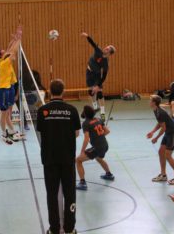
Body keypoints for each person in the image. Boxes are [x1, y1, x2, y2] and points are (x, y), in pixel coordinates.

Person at [37, 79, 81, 234]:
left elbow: (41, 133)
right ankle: (69, 228)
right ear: (63, 91)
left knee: (52, 194)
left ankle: (54, 229)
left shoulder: (43, 110)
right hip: (67, 158)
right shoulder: (72, 110)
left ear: (50, 90)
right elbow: (76, 133)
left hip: (49, 159)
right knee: (70, 194)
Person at [76, 105, 114, 191]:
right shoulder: (98, 119)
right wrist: (98, 136)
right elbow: (107, 131)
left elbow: (86, 139)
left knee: (78, 160)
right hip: (105, 145)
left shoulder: (85, 124)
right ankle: (109, 174)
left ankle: (82, 183)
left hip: (97, 147)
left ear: (85, 113)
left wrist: (82, 152)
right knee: (99, 158)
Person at [0, 26, 22, 144]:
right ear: (1, 56)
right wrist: (19, 38)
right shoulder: (4, 63)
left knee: (7, 113)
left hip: (8, 88)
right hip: (3, 90)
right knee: (4, 113)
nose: (5, 52)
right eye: (3, 53)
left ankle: (11, 132)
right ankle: (3, 134)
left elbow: (9, 49)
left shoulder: (2, 60)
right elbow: (13, 51)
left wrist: (15, 39)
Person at [147, 95, 174, 184]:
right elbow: (160, 123)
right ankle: (163, 175)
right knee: (161, 152)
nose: (149, 102)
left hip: (173, 134)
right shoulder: (156, 110)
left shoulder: (160, 112)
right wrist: (152, 132)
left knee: (168, 155)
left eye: (150, 100)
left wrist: (156, 138)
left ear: (154, 103)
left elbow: (163, 128)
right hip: (168, 133)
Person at [81, 32, 116, 122]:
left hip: (97, 76)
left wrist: (97, 85)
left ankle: (103, 114)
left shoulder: (105, 64)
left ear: (109, 54)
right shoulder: (98, 51)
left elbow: (104, 77)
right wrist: (87, 36)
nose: (105, 48)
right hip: (89, 73)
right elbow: (92, 43)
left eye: (107, 49)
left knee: (99, 93)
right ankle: (95, 108)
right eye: (106, 47)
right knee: (91, 92)